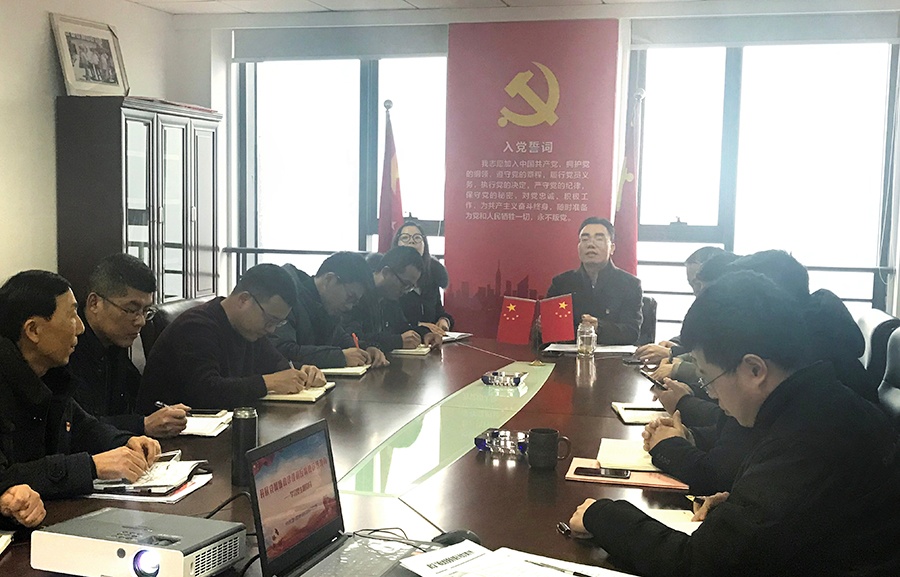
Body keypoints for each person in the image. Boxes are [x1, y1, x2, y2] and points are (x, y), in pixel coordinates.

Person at [569, 271, 900, 577]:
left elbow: (698, 565)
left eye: (707, 378)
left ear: (754, 370)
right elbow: (803, 512)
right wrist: (738, 507)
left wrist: (602, 515)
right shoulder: (817, 400)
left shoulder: (811, 437)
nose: (711, 395)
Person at [0, 271, 160, 499]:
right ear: (33, 330)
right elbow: (4, 479)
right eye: (71, 316)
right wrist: (91, 466)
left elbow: (83, 427)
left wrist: (125, 442)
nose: (80, 328)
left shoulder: (51, 374)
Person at [136, 264, 326, 412]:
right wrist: (268, 383)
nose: (271, 329)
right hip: (168, 437)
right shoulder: (196, 326)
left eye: (279, 323)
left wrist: (302, 373)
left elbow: (278, 366)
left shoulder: (249, 329)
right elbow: (206, 391)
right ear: (244, 299)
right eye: (270, 320)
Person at [69, 254, 189, 438]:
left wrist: (166, 413)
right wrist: (142, 425)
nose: (141, 321)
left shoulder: (114, 343)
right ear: (94, 303)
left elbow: (139, 399)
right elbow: (75, 426)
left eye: (146, 311)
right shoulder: (68, 346)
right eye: (131, 310)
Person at [270, 252, 388, 369]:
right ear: (329, 280)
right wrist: (339, 357)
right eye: (350, 297)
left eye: (354, 302)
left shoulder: (324, 307)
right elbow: (281, 351)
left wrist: (365, 350)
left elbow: (341, 339)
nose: (350, 307)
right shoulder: (288, 297)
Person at [546, 217, 642, 345]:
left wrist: (598, 327)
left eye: (599, 239)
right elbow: (549, 333)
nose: (591, 244)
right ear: (578, 247)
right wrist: (542, 328)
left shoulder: (630, 284)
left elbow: (631, 332)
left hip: (613, 356)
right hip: (568, 354)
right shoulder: (561, 283)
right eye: (585, 239)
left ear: (612, 248)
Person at [635, 246, 726, 365]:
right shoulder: (706, 304)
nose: (695, 291)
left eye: (698, 284)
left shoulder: (731, 310)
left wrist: (671, 353)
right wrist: (673, 344)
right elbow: (694, 336)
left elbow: (714, 355)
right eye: (691, 285)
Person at [343, 246, 442, 352]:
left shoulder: (390, 298)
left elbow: (402, 327)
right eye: (405, 284)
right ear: (386, 272)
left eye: (411, 287)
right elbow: (354, 337)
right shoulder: (358, 294)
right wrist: (397, 341)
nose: (405, 291)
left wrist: (425, 334)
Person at [391, 220, 454, 335]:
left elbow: (439, 312)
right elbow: (390, 321)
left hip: (430, 341)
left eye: (417, 238)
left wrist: (444, 320)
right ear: (397, 244)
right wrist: (419, 325)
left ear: (425, 244)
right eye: (405, 238)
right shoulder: (392, 277)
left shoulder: (432, 275)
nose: (411, 241)